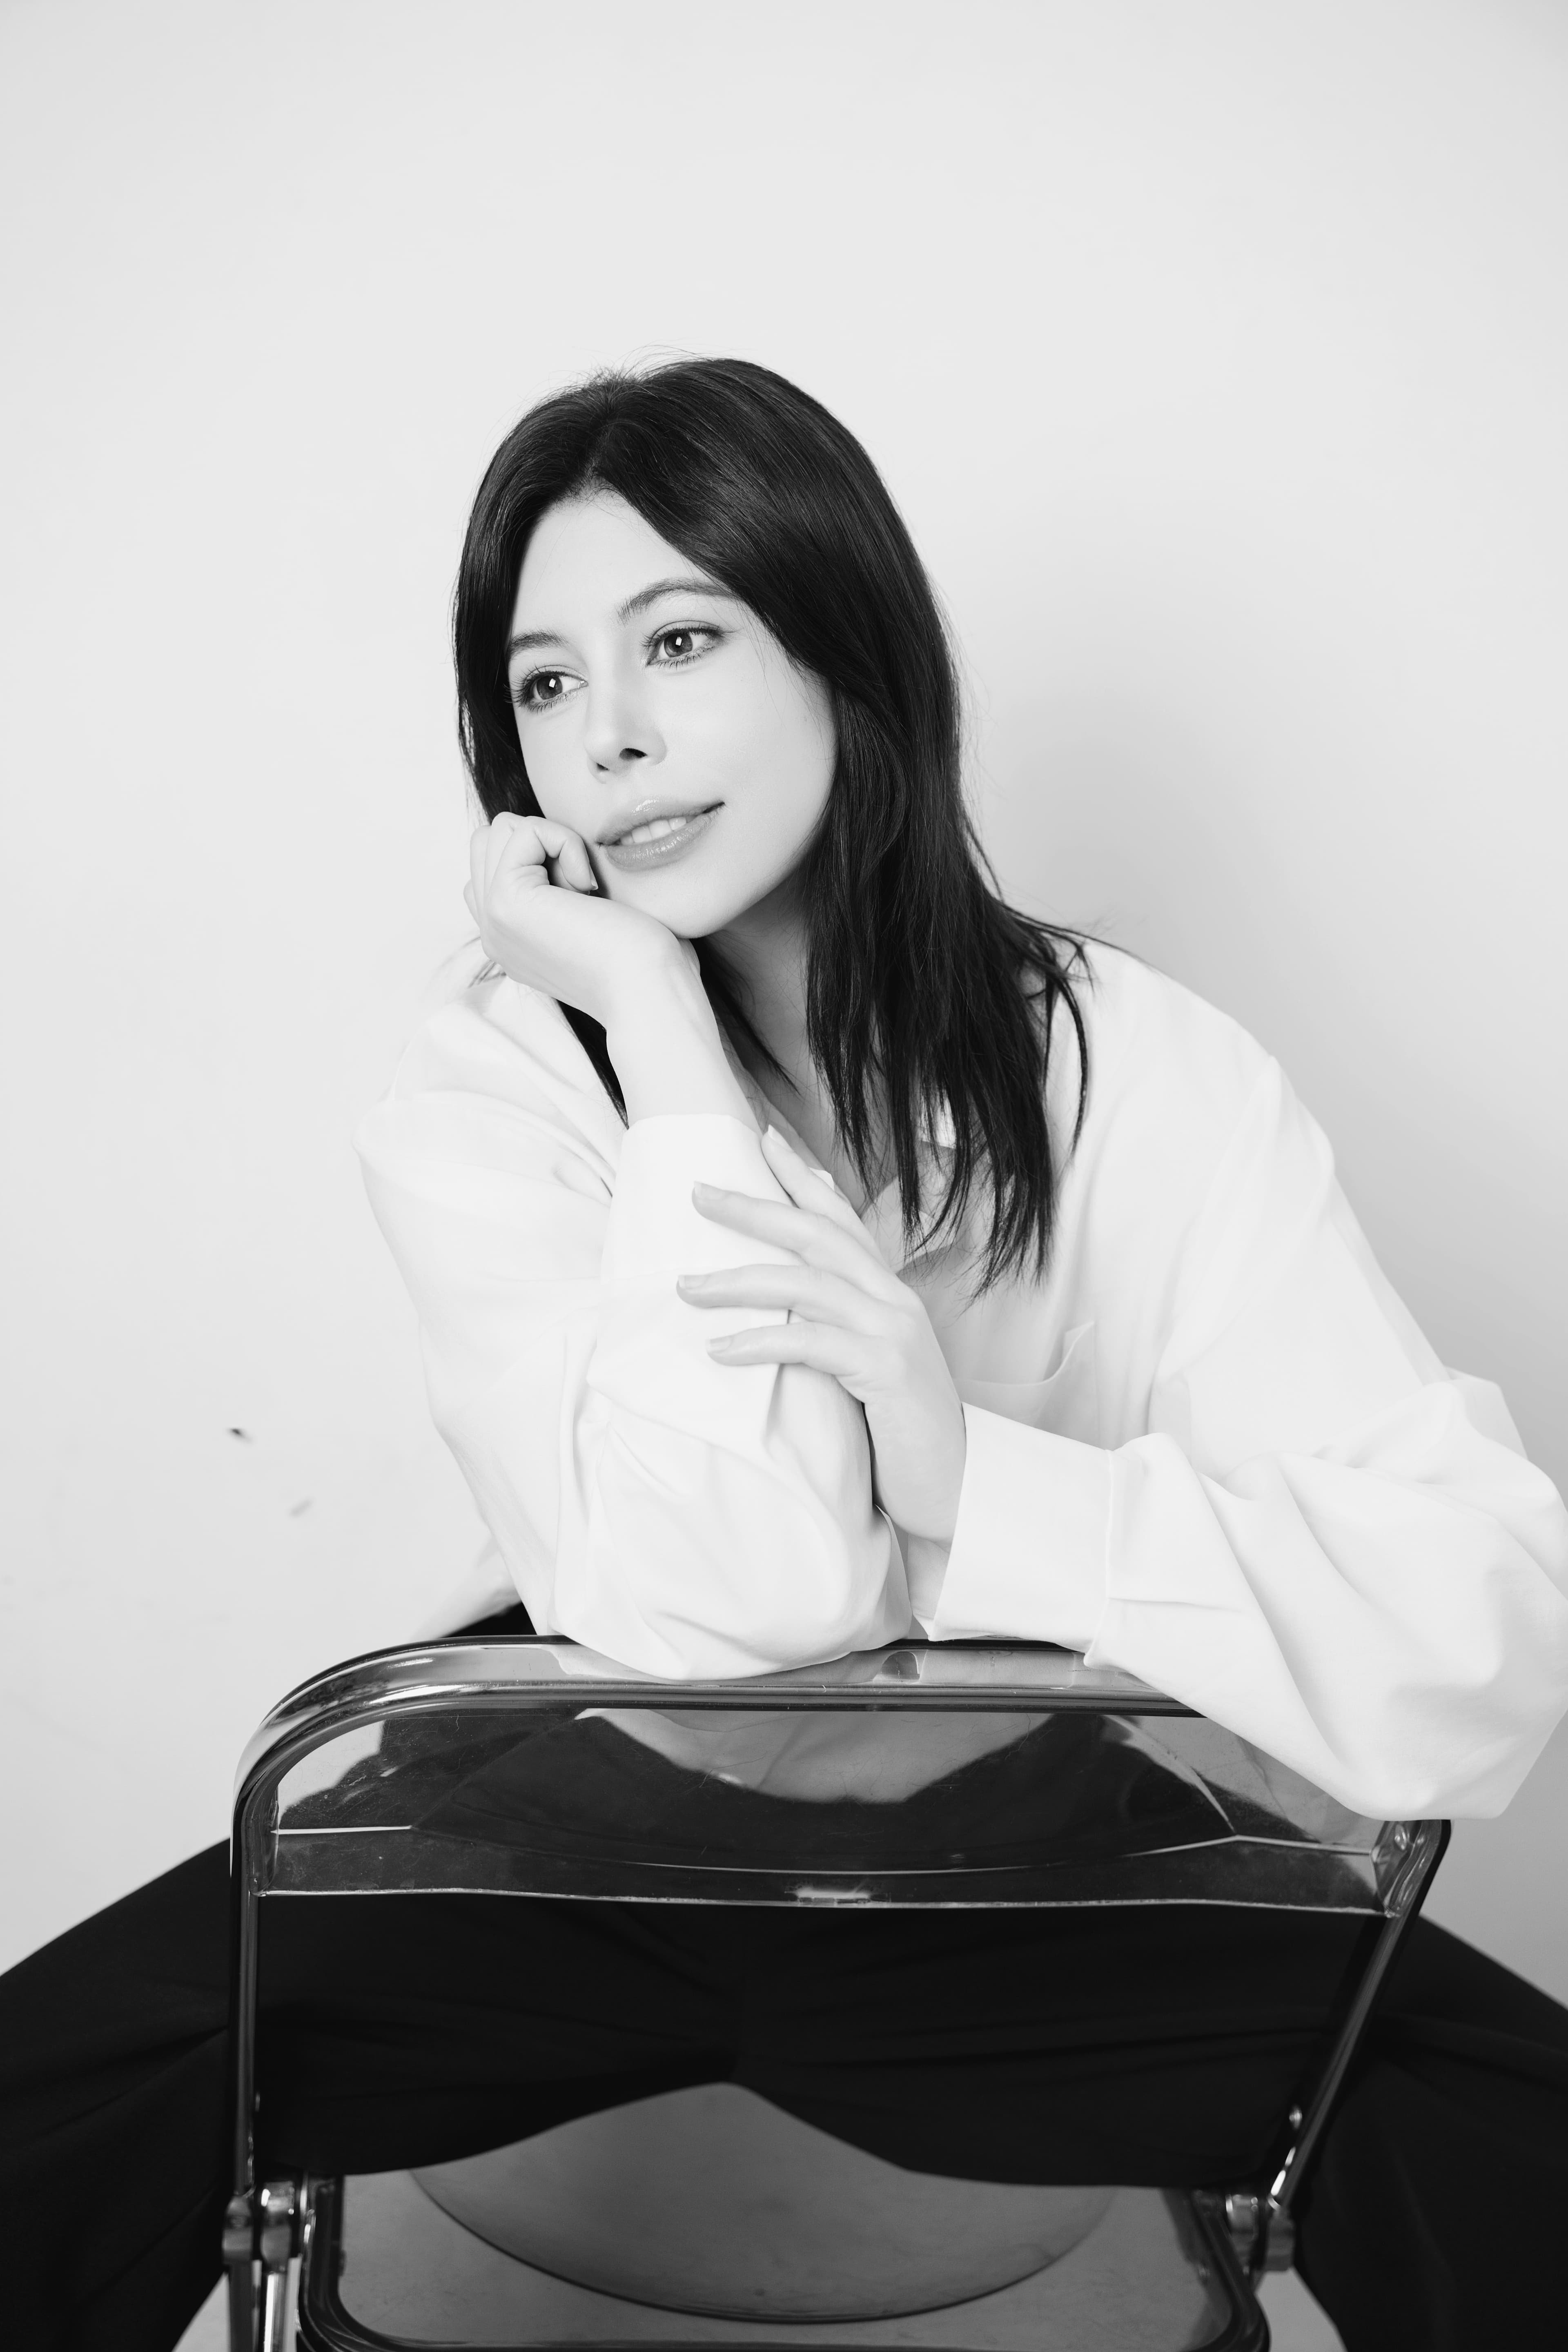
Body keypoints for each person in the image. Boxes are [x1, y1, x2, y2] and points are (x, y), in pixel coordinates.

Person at [4, 358, 1567, 2352]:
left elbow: (1485, 1627)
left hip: (1043, 1874)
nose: (614, 739)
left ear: (846, 647)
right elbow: (726, 1602)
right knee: (44, 2117)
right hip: (550, 1844)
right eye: (548, 684)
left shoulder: (1140, 1072)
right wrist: (660, 1041)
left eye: (679, 638)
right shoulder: (495, 1082)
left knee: (1520, 2154)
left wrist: (973, 1481)